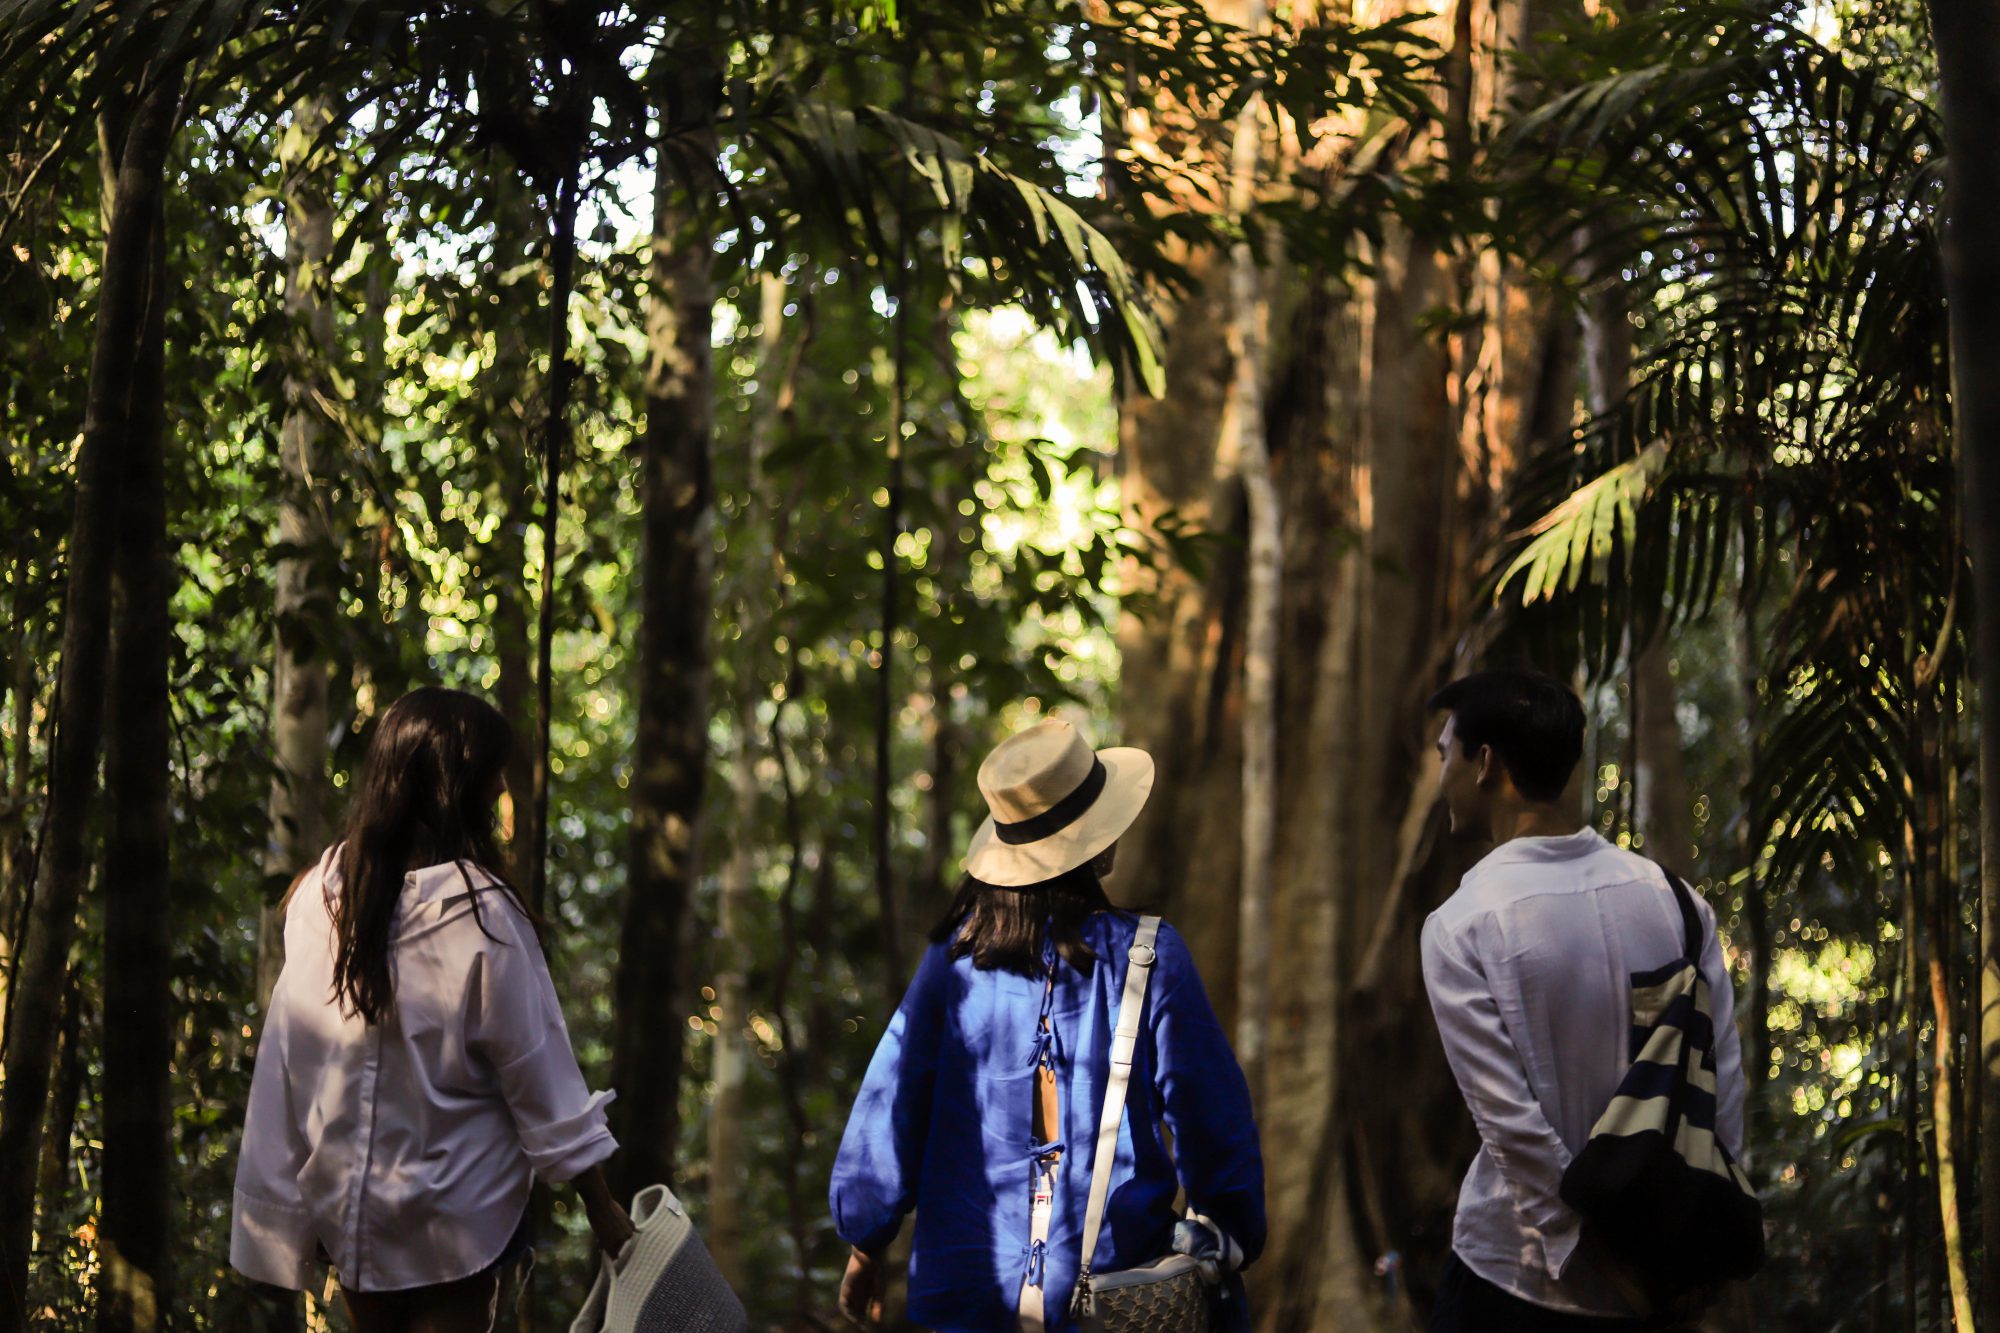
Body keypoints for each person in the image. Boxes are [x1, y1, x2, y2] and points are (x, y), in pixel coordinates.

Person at [829, 717, 1266, 1332]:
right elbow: (1213, 1123)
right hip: (1112, 1301)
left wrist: (865, 1243)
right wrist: (1227, 1236)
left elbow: (890, 1112)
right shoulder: (1149, 956)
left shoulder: (951, 963)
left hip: (965, 1300)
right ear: (1090, 841)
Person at [232, 687, 634, 1333]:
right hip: (457, 1222)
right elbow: (540, 1073)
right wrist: (604, 1209)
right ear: (460, 785)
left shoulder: (319, 896)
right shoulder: (483, 915)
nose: (503, 787)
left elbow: (287, 1065)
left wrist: (283, 1209)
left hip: (353, 1215)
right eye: (493, 773)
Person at [1420, 668, 1746, 1331]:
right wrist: (1691, 1248)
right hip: (1659, 1277)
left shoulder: (1462, 924)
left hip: (1512, 1279)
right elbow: (1723, 1087)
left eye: (1444, 753)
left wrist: (1598, 1255)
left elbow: (1512, 1127)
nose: (1440, 775)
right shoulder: (1678, 903)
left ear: (1485, 764)